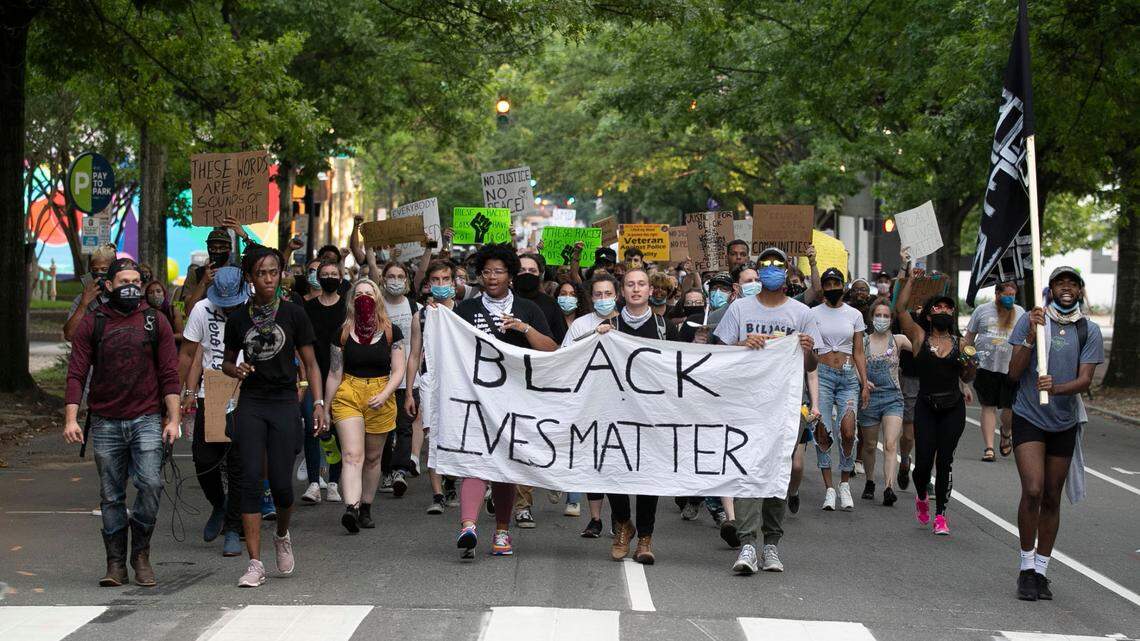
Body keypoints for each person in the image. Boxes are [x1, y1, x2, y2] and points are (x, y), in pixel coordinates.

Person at [63, 257, 181, 587]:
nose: (130, 286)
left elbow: (169, 374)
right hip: (105, 422)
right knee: (111, 495)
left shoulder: (155, 321)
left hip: (145, 419)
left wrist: (173, 419)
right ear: (110, 286)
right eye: (123, 281)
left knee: (151, 485)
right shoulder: (93, 322)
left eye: (135, 280)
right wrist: (71, 417)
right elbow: (76, 372)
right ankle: (115, 563)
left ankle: (140, 553)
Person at [222, 246, 327, 587]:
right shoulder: (238, 318)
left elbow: (310, 363)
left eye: (273, 272)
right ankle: (254, 562)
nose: (268, 278)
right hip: (252, 402)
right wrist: (235, 369)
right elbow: (226, 360)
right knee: (251, 478)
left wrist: (319, 402)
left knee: (282, 487)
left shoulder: (294, 314)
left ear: (281, 274)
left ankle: (282, 533)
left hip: (284, 402)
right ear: (250, 278)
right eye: (261, 273)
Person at [713, 248, 818, 575]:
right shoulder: (739, 309)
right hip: (746, 404)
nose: (772, 271)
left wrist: (808, 351)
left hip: (786, 408)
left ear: (787, 271)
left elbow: (812, 365)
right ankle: (747, 544)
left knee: (777, 472)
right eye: (766, 266)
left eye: (778, 265)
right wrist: (742, 346)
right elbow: (718, 354)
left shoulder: (802, 313)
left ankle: (771, 543)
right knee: (747, 470)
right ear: (758, 272)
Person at [453, 244, 557, 558]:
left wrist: (523, 329)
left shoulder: (528, 309)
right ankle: (468, 526)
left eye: (499, 272)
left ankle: (501, 531)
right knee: (474, 459)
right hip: (478, 398)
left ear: (510, 275)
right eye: (486, 272)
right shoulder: (467, 311)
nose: (492, 277)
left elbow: (551, 349)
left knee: (503, 467)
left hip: (515, 401)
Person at [1007, 267, 1103, 601]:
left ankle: (1042, 572)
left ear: (1079, 290)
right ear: (1050, 289)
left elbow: (1086, 379)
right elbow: (1014, 371)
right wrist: (1031, 336)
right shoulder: (1033, 319)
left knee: (1051, 496)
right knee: (1032, 490)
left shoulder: (1087, 328)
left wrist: (1057, 387)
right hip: (1029, 416)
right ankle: (1025, 567)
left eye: (1072, 284)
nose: (1066, 288)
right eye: (1060, 283)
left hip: (1064, 421)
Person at [595, 268, 679, 565]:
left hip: (651, 414)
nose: (636, 289)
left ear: (650, 290)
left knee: (647, 476)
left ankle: (644, 537)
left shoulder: (664, 327)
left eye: (641, 284)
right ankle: (622, 524)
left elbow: (679, 368)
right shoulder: (609, 325)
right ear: (622, 292)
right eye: (630, 284)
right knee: (613, 472)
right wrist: (598, 337)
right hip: (614, 413)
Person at [895, 252, 976, 536]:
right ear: (929, 315)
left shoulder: (962, 342)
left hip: (953, 407)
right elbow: (901, 310)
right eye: (938, 306)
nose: (944, 309)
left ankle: (941, 515)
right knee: (924, 462)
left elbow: (968, 376)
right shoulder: (919, 337)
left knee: (945, 461)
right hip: (926, 406)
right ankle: (920, 496)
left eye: (948, 307)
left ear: (952, 314)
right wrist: (909, 278)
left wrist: (970, 366)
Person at [323, 278, 405, 533]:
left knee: (372, 458)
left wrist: (385, 394)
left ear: (378, 298)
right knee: (352, 455)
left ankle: (366, 507)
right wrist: (325, 408)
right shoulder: (343, 332)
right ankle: (352, 507)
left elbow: (399, 369)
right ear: (351, 300)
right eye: (359, 294)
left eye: (369, 293)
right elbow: (334, 373)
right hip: (349, 392)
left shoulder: (392, 331)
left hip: (380, 393)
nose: (364, 298)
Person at [178, 266, 248, 557]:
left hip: (247, 388)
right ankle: (219, 504)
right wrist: (187, 392)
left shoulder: (252, 308)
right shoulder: (201, 310)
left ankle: (233, 528)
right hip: (214, 388)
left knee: (238, 464)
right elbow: (192, 355)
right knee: (204, 459)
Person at [406, 260, 462, 514]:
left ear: (453, 282)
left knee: (455, 434)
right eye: (436, 280)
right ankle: (437, 493)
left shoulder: (463, 312)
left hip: (459, 382)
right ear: (428, 284)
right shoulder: (421, 316)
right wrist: (410, 390)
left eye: (445, 280)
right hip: (430, 381)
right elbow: (414, 355)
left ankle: (451, 479)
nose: (441, 285)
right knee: (433, 435)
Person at [811, 267, 868, 511]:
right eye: (828, 284)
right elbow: (810, 349)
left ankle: (844, 482)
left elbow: (858, 351)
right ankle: (829, 489)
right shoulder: (812, 313)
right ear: (823, 287)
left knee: (847, 430)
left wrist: (865, 383)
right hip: (822, 374)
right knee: (822, 430)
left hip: (847, 376)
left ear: (843, 286)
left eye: (837, 283)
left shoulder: (854, 314)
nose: (832, 288)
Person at [300, 260, 348, 504]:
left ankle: (333, 482)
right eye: (325, 274)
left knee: (338, 429)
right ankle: (312, 483)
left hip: (342, 376)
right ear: (318, 278)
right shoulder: (308, 308)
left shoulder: (347, 308)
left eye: (333, 274)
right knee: (313, 426)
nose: (329, 277)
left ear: (341, 279)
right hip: (314, 375)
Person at [858, 302, 913, 505]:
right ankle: (870, 482)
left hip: (893, 398)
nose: (882, 318)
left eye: (886, 315)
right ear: (872, 317)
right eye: (878, 315)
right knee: (870, 445)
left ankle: (889, 487)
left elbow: (919, 343)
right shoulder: (862, 342)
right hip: (868, 398)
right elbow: (854, 361)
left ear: (891, 319)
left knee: (891, 444)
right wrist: (863, 381)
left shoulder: (898, 340)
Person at [965, 281, 1024, 461]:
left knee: (1009, 409)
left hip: (1011, 368)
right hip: (985, 366)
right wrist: (968, 359)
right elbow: (969, 336)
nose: (1010, 299)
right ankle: (989, 448)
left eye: (1012, 295)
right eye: (1006, 295)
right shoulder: (982, 310)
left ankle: (1006, 432)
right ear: (997, 294)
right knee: (987, 406)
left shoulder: (1020, 313)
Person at [375, 261, 419, 496]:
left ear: (407, 280)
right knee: (383, 429)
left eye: (400, 276)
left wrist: (412, 384)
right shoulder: (375, 306)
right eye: (390, 276)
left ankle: (399, 471)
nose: (395, 280)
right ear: (382, 279)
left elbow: (417, 349)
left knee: (404, 427)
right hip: (380, 380)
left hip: (407, 380)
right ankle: (385, 471)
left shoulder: (415, 307)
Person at [63, 243, 117, 341]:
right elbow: (69, 335)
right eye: (95, 270)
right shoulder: (82, 298)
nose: (99, 273)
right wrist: (84, 303)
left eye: (104, 269)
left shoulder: (121, 295)